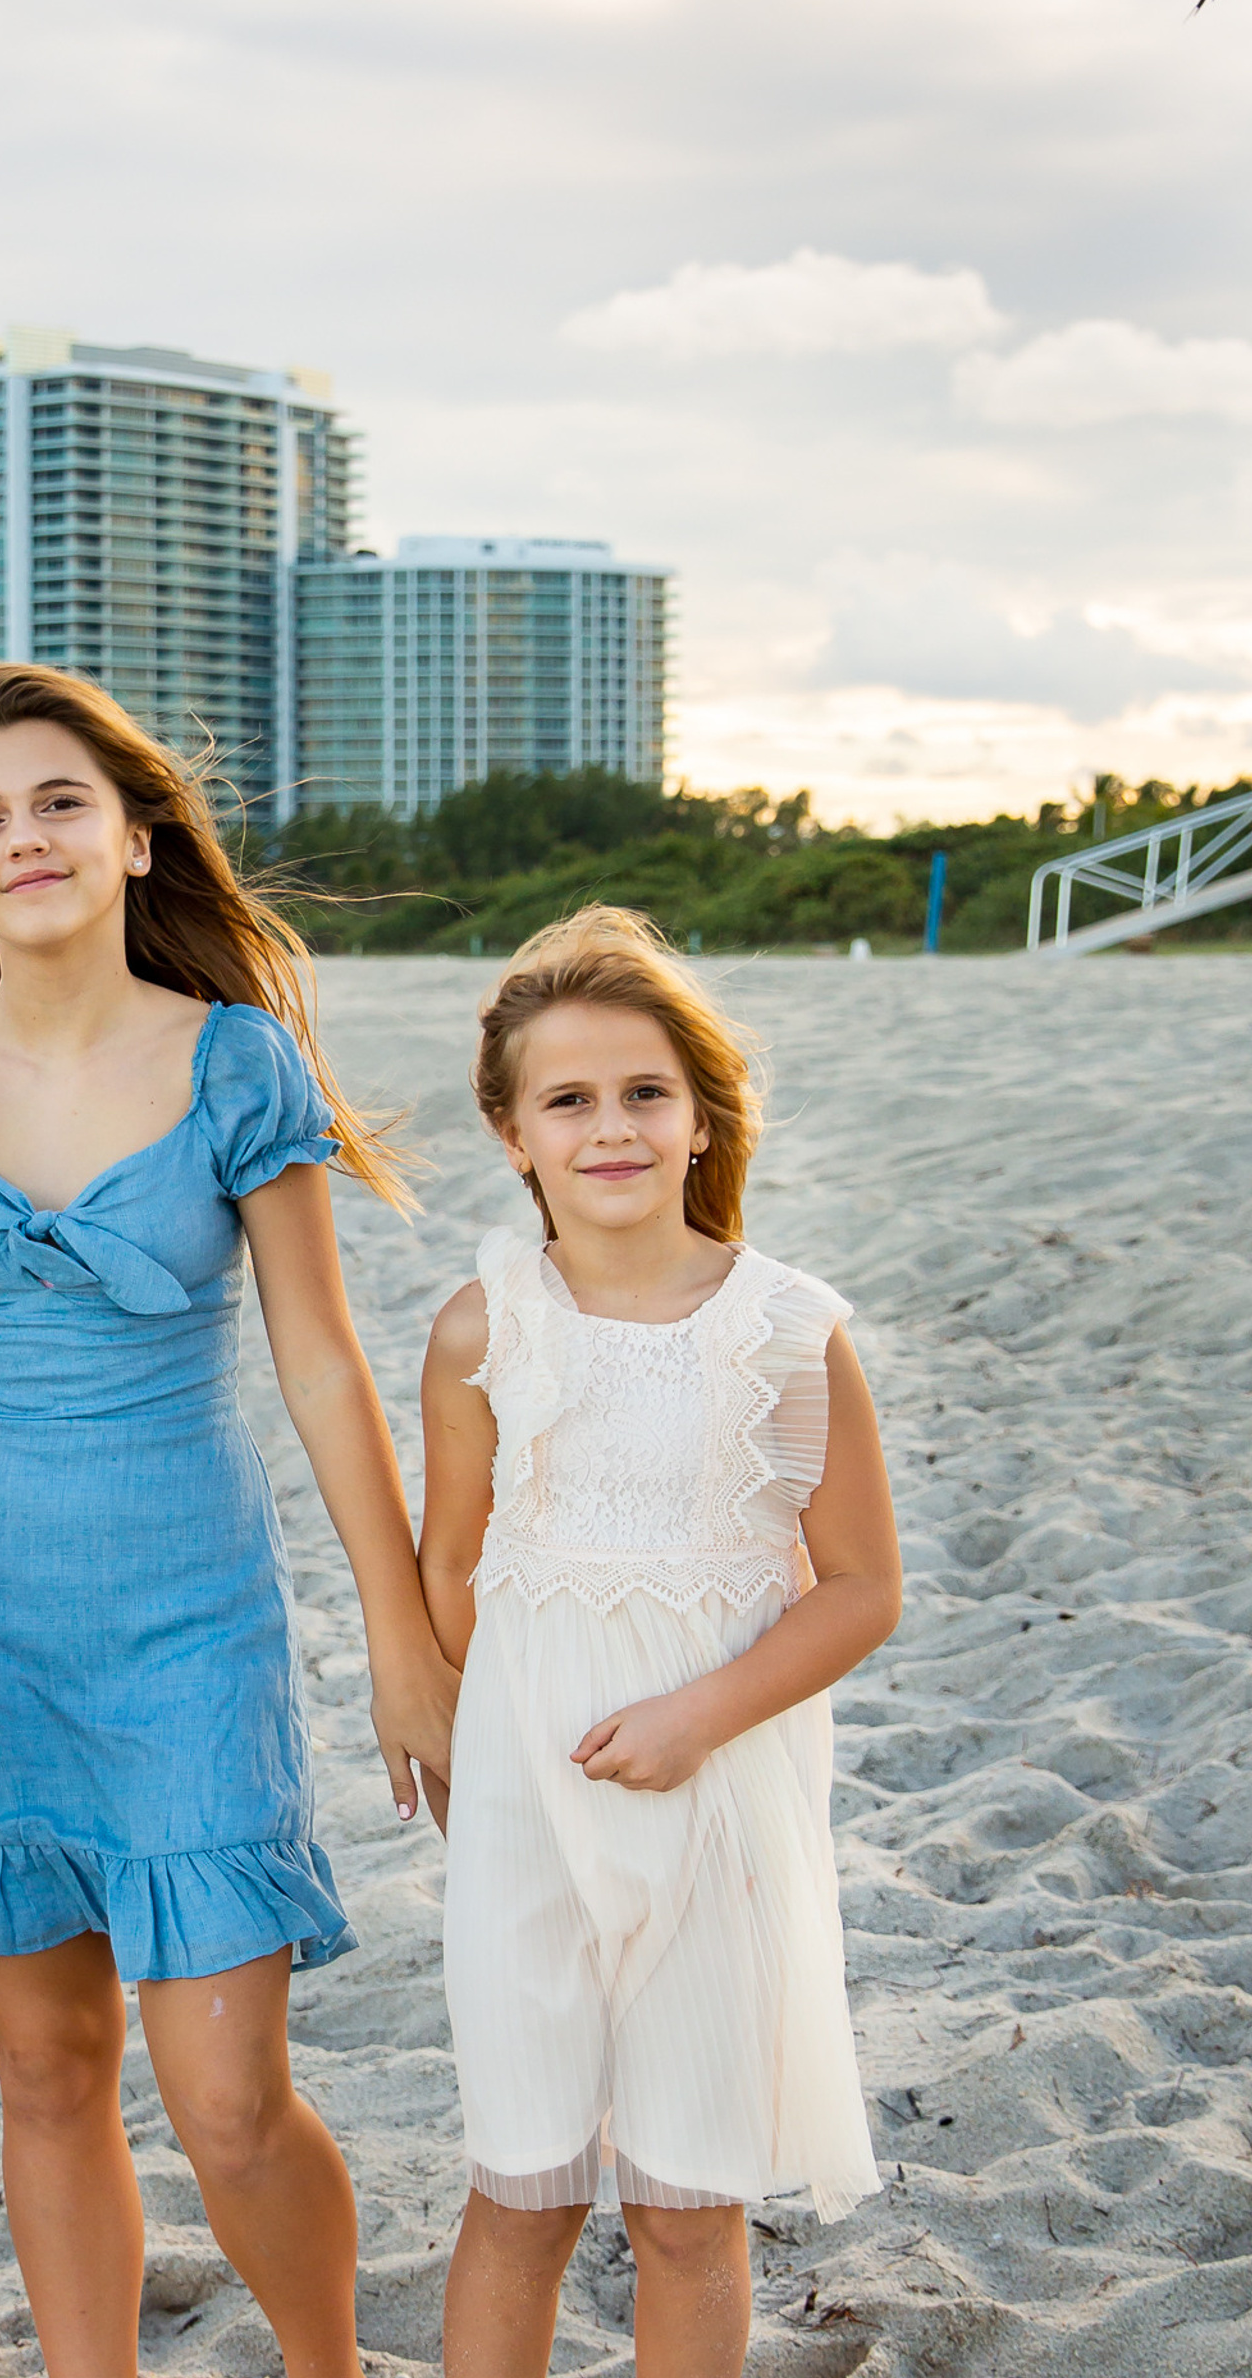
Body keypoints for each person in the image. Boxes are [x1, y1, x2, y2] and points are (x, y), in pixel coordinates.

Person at [0, 662, 457, 2378]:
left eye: (57, 803)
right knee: (45, 2076)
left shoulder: (237, 1062)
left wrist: (403, 1639)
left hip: (190, 1627)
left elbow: (325, 1370)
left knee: (233, 2106)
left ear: (136, 837)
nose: (21, 839)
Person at [418, 908, 898, 2378]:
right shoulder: (477, 1329)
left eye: (644, 1094)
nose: (608, 1127)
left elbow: (859, 1588)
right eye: (568, 1100)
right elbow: (453, 1560)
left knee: (690, 2207)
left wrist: (698, 1716)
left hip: (720, 1802)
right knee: (524, 2189)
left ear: (699, 1120)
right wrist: (489, 1735)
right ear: (512, 1134)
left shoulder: (787, 1332)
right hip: (527, 1811)